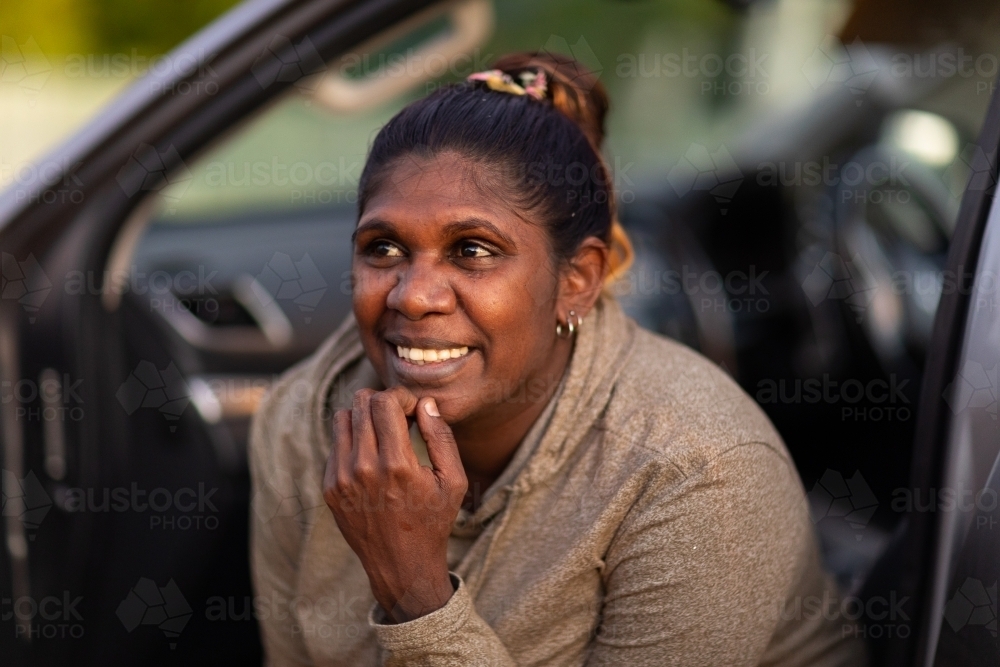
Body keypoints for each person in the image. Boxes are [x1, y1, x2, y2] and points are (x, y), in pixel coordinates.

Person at [249, 52, 866, 666]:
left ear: (576, 280)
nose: (413, 294)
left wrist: (416, 595)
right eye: (383, 248)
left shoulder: (696, 472)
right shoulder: (302, 418)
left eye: (472, 250)